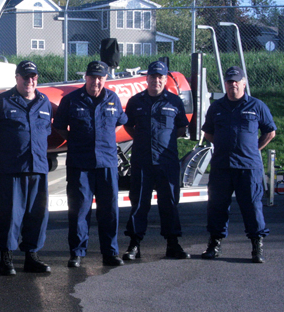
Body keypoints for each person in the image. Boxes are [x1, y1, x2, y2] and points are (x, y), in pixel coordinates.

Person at [52, 60, 127, 268]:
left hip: (107, 163)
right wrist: (76, 140)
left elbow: (121, 120)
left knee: (109, 211)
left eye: (100, 77)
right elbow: (59, 126)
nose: (96, 81)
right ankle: (77, 252)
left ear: (105, 79)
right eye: (92, 77)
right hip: (80, 164)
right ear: (85, 77)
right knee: (79, 211)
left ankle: (110, 252)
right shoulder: (71, 100)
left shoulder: (113, 99)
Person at [201, 66, 276, 263]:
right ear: (225, 84)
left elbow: (270, 131)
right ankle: (214, 244)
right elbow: (208, 132)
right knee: (217, 206)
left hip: (248, 167)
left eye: (236, 81)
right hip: (222, 166)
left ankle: (256, 246)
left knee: (252, 206)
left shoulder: (257, 106)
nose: (232, 84)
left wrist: (254, 148)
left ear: (243, 83)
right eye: (229, 81)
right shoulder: (216, 108)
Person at [0, 60, 52, 275]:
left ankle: (31, 255)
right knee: (9, 215)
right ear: (17, 78)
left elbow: (46, 132)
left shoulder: (44, 102)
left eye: (32, 77)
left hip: (38, 168)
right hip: (10, 169)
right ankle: (6, 258)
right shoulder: (2, 102)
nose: (29, 80)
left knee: (38, 215)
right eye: (25, 76)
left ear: (36, 79)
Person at [122, 61, 191, 261]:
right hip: (142, 160)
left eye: (160, 77)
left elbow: (181, 129)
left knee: (169, 203)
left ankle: (173, 244)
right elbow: (128, 126)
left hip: (166, 161)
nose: (156, 80)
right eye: (153, 77)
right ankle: (134, 244)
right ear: (147, 78)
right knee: (139, 204)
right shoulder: (136, 101)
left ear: (165, 79)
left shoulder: (174, 101)